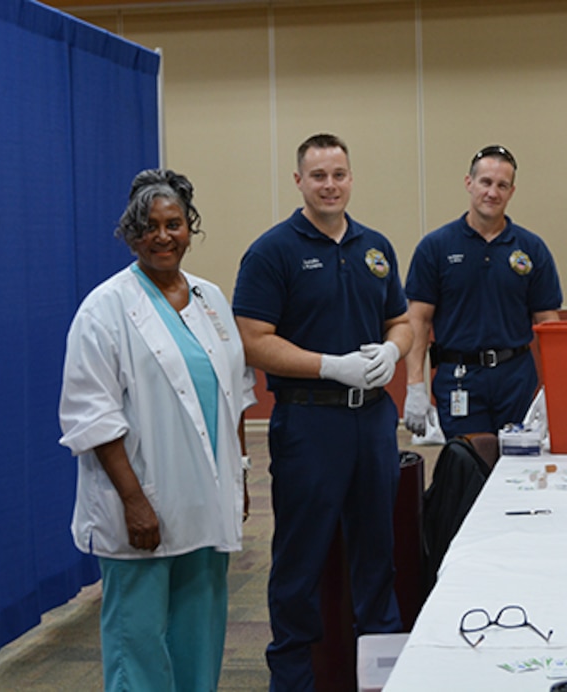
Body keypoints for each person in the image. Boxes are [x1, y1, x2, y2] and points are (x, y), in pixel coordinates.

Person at [58, 169, 256, 691]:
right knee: (138, 639)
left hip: (205, 501)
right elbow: (91, 416)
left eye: (174, 223)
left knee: (200, 632)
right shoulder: (104, 309)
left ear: (190, 227)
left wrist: (238, 474)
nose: (162, 236)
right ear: (130, 234)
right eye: (148, 226)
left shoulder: (211, 299)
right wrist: (134, 501)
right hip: (143, 504)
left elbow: (235, 391)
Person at [232, 133, 412, 690]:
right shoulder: (273, 251)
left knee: (378, 554)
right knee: (300, 559)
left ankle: (380, 677)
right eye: (318, 176)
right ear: (299, 182)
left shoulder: (375, 247)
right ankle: (292, 678)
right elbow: (253, 340)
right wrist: (329, 366)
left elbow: (400, 321)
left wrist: (393, 350)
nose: (330, 185)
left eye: (339, 174)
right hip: (309, 422)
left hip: (373, 421)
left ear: (351, 178)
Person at [403, 145, 563, 439]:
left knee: (518, 468)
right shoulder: (435, 247)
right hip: (459, 379)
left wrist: (555, 388)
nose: (493, 192)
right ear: (469, 183)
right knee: (468, 468)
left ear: (512, 191)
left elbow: (548, 323)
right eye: (485, 182)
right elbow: (418, 321)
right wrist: (415, 385)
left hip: (515, 378)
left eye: (502, 185)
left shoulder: (531, 249)